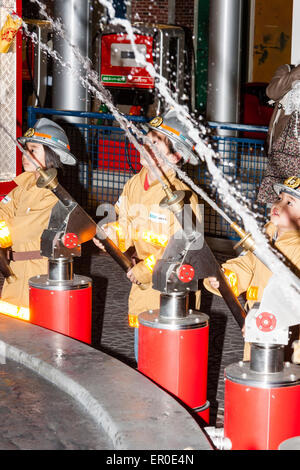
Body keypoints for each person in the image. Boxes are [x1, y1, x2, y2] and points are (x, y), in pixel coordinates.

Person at [93, 109, 201, 361]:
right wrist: (111, 236)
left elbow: (182, 250)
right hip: (143, 288)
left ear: (175, 156)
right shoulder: (133, 184)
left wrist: (148, 268)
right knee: (145, 355)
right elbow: (126, 225)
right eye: (147, 138)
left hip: (171, 293)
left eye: (156, 142)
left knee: (167, 360)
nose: (145, 144)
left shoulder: (183, 196)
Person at [204, 175, 300, 362]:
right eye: (279, 198)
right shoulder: (267, 235)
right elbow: (247, 264)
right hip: (257, 326)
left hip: (284, 338)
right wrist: (226, 278)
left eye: (290, 203)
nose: (278, 205)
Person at [0, 118, 77, 317]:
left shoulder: (55, 197)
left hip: (38, 277)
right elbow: (3, 214)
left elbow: (22, 230)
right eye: (26, 149)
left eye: (33, 150)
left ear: (51, 157)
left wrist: (5, 233)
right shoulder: (22, 188)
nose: (25, 154)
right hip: (14, 276)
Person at [258, 63, 300, 203]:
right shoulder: (287, 70)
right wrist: (296, 74)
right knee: (276, 202)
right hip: (282, 152)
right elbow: (272, 93)